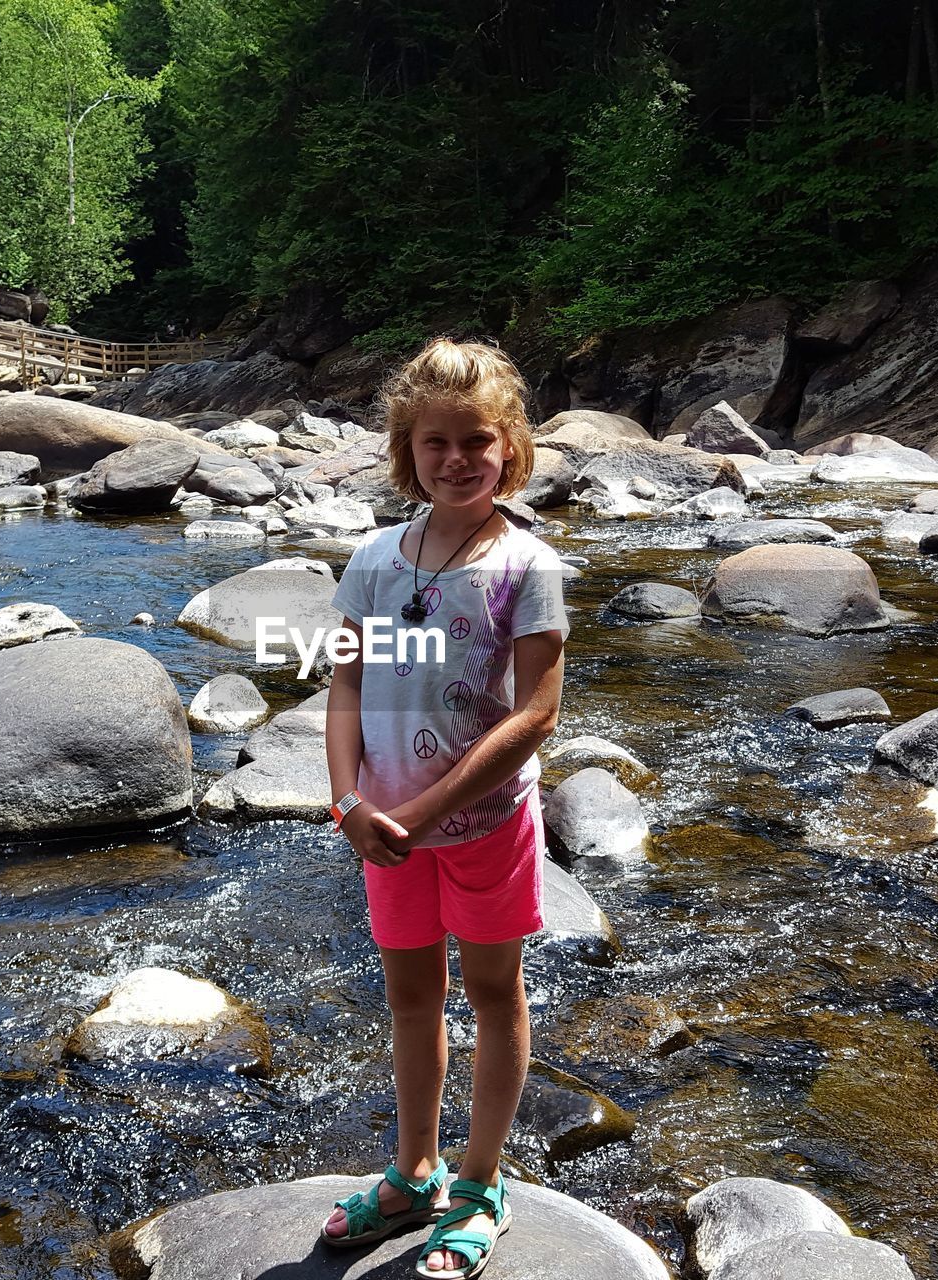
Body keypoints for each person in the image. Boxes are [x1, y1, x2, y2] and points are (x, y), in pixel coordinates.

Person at [320, 338, 568, 1278]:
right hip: (381, 830)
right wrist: (347, 801)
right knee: (411, 997)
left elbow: (538, 713)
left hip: (483, 827)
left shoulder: (527, 564)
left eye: (477, 441)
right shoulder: (375, 560)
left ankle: (480, 1179)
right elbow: (342, 691)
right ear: (406, 452)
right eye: (436, 443)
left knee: (495, 993)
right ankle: (414, 1168)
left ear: (510, 448)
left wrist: (421, 812)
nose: (458, 459)